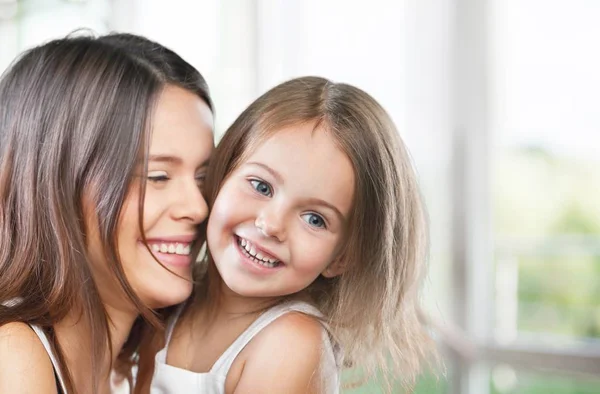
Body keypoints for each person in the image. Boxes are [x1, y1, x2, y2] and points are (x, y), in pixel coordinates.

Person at [149, 76, 435, 393]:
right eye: (261, 186)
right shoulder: (173, 292)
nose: (271, 225)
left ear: (342, 257)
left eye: (314, 219)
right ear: (223, 172)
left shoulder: (290, 342)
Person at [0, 32, 214, 394]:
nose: (198, 207)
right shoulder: (13, 355)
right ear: (59, 185)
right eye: (157, 176)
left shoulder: (141, 369)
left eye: (203, 177)